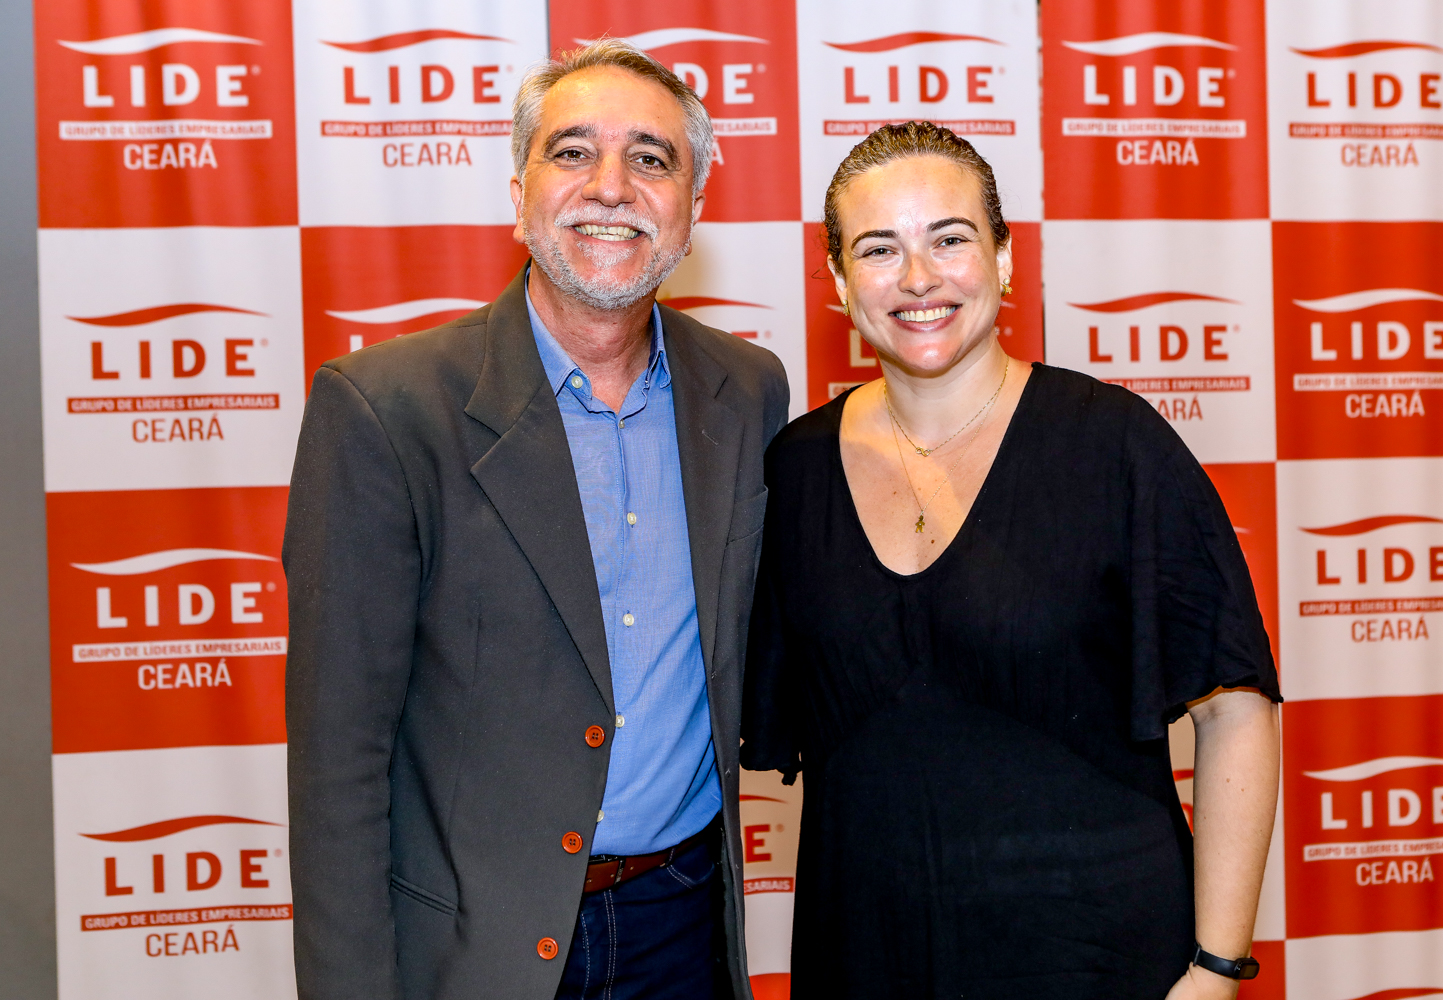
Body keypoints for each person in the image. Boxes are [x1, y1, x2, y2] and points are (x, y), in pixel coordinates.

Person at [283, 39, 788, 1000]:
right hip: (477, 949)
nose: (612, 186)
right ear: (519, 197)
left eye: (651, 158)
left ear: (693, 207)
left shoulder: (748, 390)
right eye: (573, 152)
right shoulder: (386, 409)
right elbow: (337, 760)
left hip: (686, 927)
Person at [741, 121, 1280, 1000]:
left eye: (950, 239)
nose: (919, 277)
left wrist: (1217, 969)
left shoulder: (1114, 446)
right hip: (867, 960)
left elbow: (1236, 712)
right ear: (839, 281)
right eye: (878, 249)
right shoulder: (792, 471)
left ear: (1003, 259)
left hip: (1098, 962)